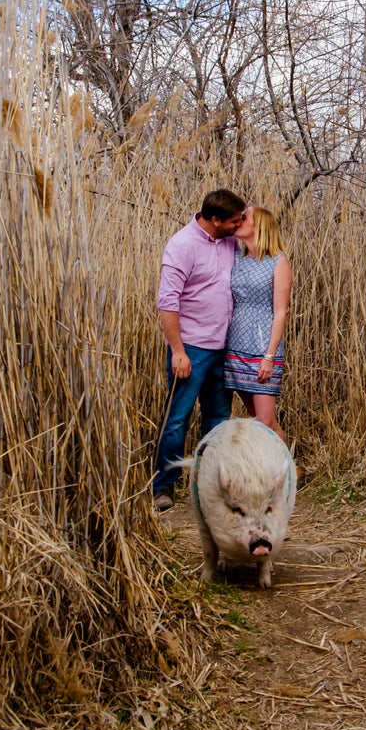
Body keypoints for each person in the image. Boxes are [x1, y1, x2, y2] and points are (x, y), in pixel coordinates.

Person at [152, 188, 246, 511]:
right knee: (178, 418)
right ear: (215, 220)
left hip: (223, 347)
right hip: (191, 348)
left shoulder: (231, 241)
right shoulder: (182, 245)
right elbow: (167, 303)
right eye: (234, 221)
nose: (239, 225)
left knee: (218, 419)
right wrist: (177, 351)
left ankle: (208, 487)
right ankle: (163, 487)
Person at [223, 206, 293, 443]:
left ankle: (288, 473)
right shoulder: (236, 257)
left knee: (266, 422)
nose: (238, 220)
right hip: (235, 347)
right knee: (254, 418)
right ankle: (265, 474)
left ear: (258, 226)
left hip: (262, 349)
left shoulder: (278, 261)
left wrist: (269, 356)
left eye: (244, 217)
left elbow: (281, 311)